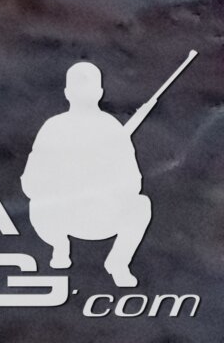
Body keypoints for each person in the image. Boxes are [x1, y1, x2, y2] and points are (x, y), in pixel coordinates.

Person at [22, 59, 159, 287]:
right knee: (37, 204)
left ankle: (118, 262)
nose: (83, 93)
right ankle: (59, 247)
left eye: (88, 87)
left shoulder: (112, 128)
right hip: (60, 215)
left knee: (141, 205)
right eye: (78, 87)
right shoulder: (54, 127)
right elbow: (30, 182)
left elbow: (133, 182)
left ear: (100, 92)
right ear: (67, 92)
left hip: (103, 213)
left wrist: (104, 180)